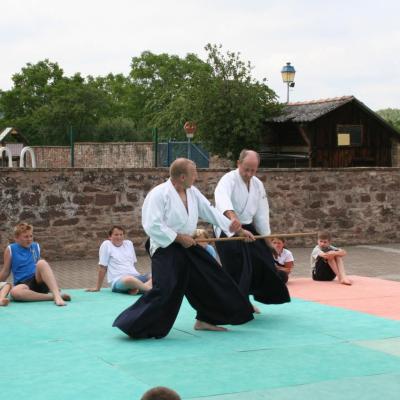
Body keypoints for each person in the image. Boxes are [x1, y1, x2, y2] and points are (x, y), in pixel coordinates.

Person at [113, 158, 254, 339]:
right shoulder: (159, 194)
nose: (197, 176)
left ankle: (206, 319)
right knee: (166, 288)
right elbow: (152, 225)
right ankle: (132, 324)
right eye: (193, 173)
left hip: (188, 245)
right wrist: (178, 238)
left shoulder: (192, 192)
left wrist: (237, 230)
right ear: (181, 177)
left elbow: (210, 211)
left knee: (212, 278)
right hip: (166, 246)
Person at [214, 149, 290, 308]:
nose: (249, 173)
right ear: (238, 163)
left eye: (253, 170)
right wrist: (233, 219)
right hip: (227, 227)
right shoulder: (228, 180)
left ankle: (247, 299)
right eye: (246, 169)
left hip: (249, 226)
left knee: (263, 260)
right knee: (238, 266)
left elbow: (262, 213)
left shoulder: (257, 184)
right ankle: (238, 303)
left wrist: (267, 241)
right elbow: (222, 199)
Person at [0, 223, 71, 306]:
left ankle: (57, 296)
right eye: (26, 237)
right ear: (16, 238)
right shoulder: (11, 249)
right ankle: (51, 297)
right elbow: (5, 271)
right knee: (15, 292)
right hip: (23, 285)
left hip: (37, 280)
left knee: (42, 262)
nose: (29, 239)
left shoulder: (36, 246)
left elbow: (41, 269)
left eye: (31, 236)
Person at [86, 226, 152, 295]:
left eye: (121, 234)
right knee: (130, 279)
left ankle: (138, 289)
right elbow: (103, 267)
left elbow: (132, 263)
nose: (119, 237)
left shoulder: (128, 243)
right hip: (118, 280)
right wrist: (98, 287)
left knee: (155, 275)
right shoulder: (106, 245)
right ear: (110, 237)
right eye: (116, 235)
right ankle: (150, 290)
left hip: (135, 277)